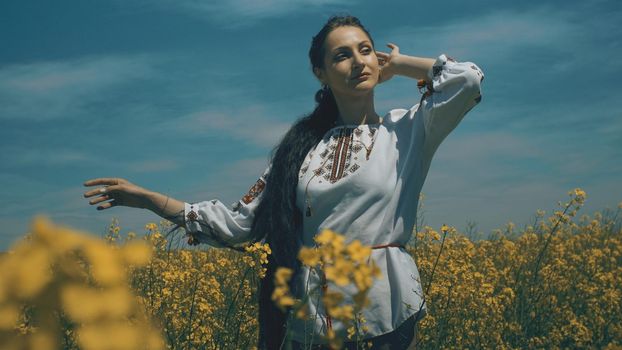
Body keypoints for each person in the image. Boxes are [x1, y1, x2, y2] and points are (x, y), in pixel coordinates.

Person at [83, 14, 484, 350]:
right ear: (321, 73)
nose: (359, 62)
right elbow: (238, 224)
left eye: (366, 50)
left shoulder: (408, 129)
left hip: (385, 314)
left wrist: (400, 64)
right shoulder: (299, 150)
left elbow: (466, 81)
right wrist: (148, 199)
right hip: (311, 319)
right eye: (342, 56)